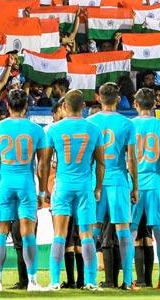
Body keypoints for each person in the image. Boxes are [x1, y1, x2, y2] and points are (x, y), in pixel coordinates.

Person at [0, 89, 52, 292]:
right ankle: (32, 281)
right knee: (27, 234)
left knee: (1, 231)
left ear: (7, 106)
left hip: (4, 184)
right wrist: (43, 191)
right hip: (26, 183)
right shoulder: (36, 130)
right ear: (27, 106)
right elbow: (43, 164)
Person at [44, 90, 105, 290]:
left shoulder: (53, 129)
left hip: (62, 186)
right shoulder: (94, 129)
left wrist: (45, 188)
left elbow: (44, 163)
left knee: (59, 234)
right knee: (87, 234)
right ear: (84, 107)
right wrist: (97, 188)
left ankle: (54, 280)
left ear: (64, 107)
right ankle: (91, 281)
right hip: (85, 186)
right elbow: (101, 163)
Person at [87, 83, 138, 290]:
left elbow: (88, 156)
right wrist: (135, 186)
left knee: (91, 230)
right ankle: (127, 280)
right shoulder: (127, 124)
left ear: (98, 98)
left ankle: (89, 280)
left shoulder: (90, 122)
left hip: (95, 181)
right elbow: (132, 158)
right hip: (118, 181)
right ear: (118, 99)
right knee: (123, 229)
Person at [129, 88, 160, 289]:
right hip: (155, 183)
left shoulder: (129, 125)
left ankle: (129, 280)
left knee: (129, 232)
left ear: (135, 104)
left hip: (133, 183)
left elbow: (126, 156)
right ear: (154, 104)